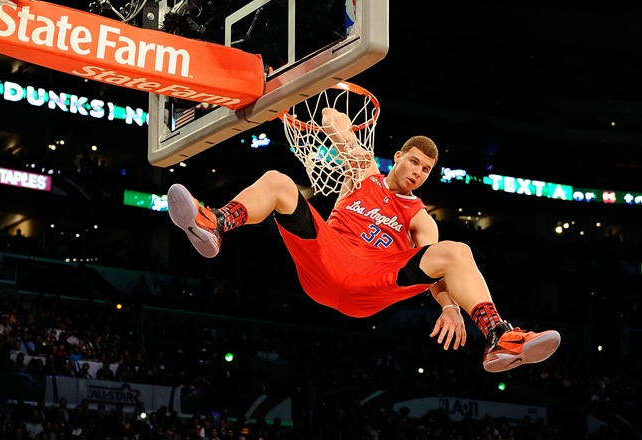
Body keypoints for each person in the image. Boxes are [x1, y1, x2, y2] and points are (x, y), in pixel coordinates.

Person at [167, 107, 561, 373]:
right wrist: (339, 65)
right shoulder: (363, 173)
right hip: (327, 255)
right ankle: (216, 223)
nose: (418, 171)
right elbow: (331, 115)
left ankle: (498, 337)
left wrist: (451, 308)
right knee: (279, 182)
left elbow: (438, 272)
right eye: (414, 162)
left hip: (373, 280)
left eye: (426, 169)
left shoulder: (420, 218)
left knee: (456, 250)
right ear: (399, 156)